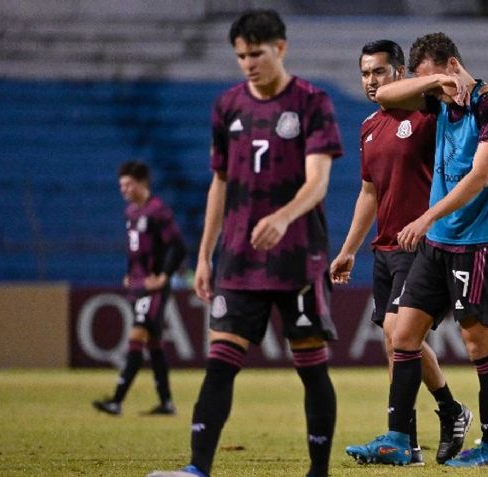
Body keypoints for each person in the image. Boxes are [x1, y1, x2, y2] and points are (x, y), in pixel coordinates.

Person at [147, 9, 342, 477]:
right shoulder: (227, 106)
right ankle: (197, 468)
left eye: (256, 53)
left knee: (310, 366)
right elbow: (219, 183)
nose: (248, 63)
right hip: (238, 257)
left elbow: (318, 182)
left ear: (281, 48)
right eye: (241, 56)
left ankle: (318, 471)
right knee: (219, 362)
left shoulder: (312, 102)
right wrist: (204, 255)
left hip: (298, 256)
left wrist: (283, 217)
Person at [345, 32, 488, 467]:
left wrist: (426, 217)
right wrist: (432, 83)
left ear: (453, 64)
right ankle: (399, 439)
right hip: (437, 244)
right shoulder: (439, 102)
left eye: (436, 78)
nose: (434, 92)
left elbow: (480, 177)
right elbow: (386, 94)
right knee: (402, 337)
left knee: (478, 343)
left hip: (474, 242)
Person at [331, 39, 472, 466]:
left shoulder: (427, 111)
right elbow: (368, 193)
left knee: (398, 332)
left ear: (399, 73)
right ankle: (415, 438)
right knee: (396, 343)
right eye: (364, 73)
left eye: (378, 71)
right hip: (386, 246)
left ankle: (417, 429)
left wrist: (434, 80)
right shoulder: (369, 126)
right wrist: (349, 250)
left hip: (423, 244)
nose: (371, 81)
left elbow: (453, 90)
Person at [93, 161, 186, 417]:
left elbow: (178, 246)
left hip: (151, 289)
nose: (123, 189)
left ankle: (116, 400)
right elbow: (135, 249)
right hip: (137, 285)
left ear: (142, 183)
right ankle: (166, 403)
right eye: (121, 185)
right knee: (154, 344)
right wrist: (130, 273)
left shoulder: (158, 211)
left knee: (136, 336)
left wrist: (164, 276)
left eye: (127, 184)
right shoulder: (131, 212)